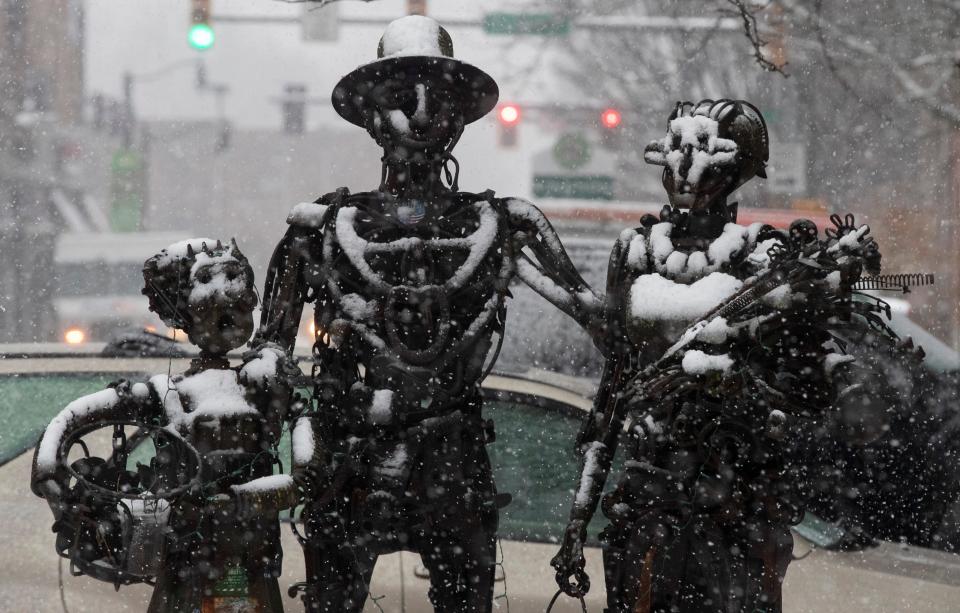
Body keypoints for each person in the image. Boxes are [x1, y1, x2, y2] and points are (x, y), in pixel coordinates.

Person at [256, 15, 605, 613]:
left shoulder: (502, 225)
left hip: (453, 462)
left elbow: (605, 326)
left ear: (458, 121)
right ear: (372, 117)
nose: (419, 113)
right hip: (350, 460)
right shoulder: (323, 228)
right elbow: (268, 354)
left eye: (436, 99)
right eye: (401, 98)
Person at [550, 99, 912, 613]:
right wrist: (576, 524)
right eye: (679, 158)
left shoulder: (765, 257)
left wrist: (739, 388)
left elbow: (804, 392)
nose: (688, 175)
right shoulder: (635, 251)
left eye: (706, 161)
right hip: (648, 505)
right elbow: (612, 396)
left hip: (736, 506)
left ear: (734, 170)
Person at [31, 238, 322, 613]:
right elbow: (76, 417)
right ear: (184, 315)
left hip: (248, 557)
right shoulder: (169, 394)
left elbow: (308, 463)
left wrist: (265, 494)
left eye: (236, 298)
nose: (228, 308)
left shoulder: (266, 389)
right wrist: (49, 467)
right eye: (213, 303)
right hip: (191, 557)